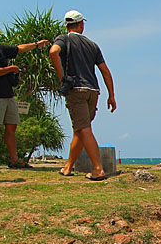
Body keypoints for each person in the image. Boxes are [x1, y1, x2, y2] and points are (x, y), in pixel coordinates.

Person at [49, 10, 116, 180]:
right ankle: (68, 167)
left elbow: (53, 52)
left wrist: (61, 77)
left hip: (76, 89)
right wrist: (111, 95)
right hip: (93, 91)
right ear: (81, 24)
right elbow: (105, 72)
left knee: (84, 128)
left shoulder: (63, 39)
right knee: (80, 129)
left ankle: (98, 169)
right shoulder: (93, 45)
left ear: (67, 25)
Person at [0, 20, 49, 170]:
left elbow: (18, 49)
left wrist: (36, 44)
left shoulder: (0, 49)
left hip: (8, 95)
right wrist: (11, 69)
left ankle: (13, 159)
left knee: (11, 128)